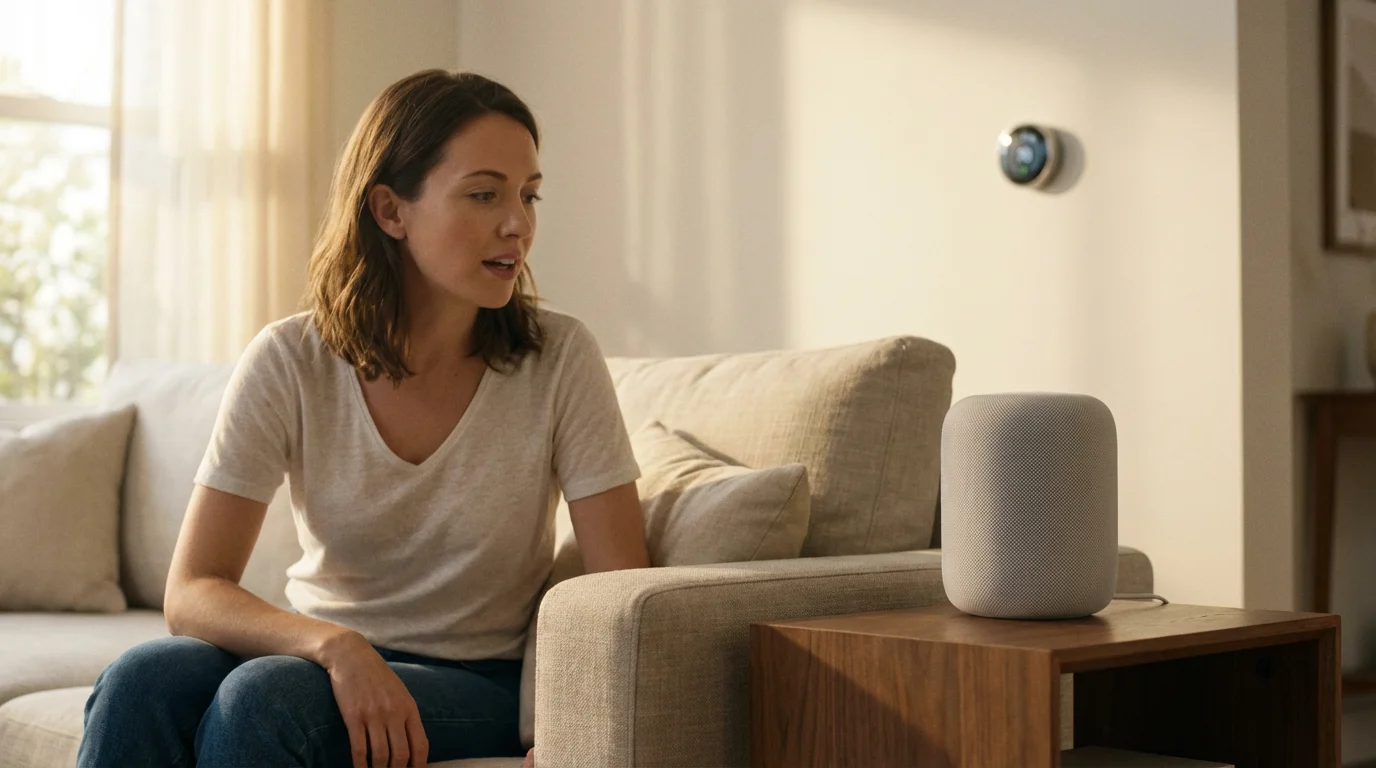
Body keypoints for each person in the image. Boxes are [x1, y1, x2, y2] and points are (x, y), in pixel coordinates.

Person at [78, 70, 650, 768]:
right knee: (144, 679)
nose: (518, 223)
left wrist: (564, 727)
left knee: (268, 697)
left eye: (528, 195)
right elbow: (193, 590)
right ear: (390, 210)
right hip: (320, 658)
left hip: (475, 681)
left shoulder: (559, 358)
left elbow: (620, 585)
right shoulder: (291, 359)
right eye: (484, 194)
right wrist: (334, 646)